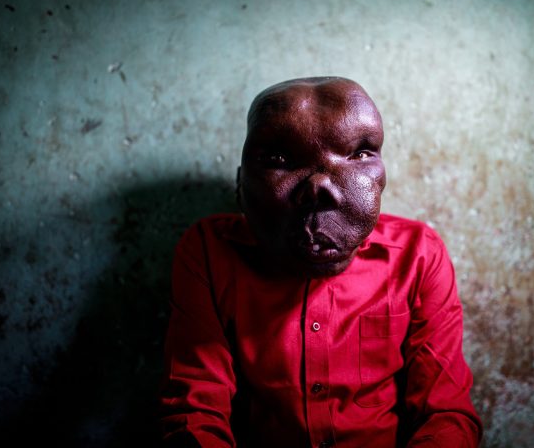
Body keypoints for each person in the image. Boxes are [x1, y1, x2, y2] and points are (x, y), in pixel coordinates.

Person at [158, 77, 482, 447]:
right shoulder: (210, 251)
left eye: (359, 154)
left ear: (382, 179)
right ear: (240, 185)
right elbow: (195, 411)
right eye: (278, 160)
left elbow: (444, 414)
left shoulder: (418, 254)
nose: (319, 187)